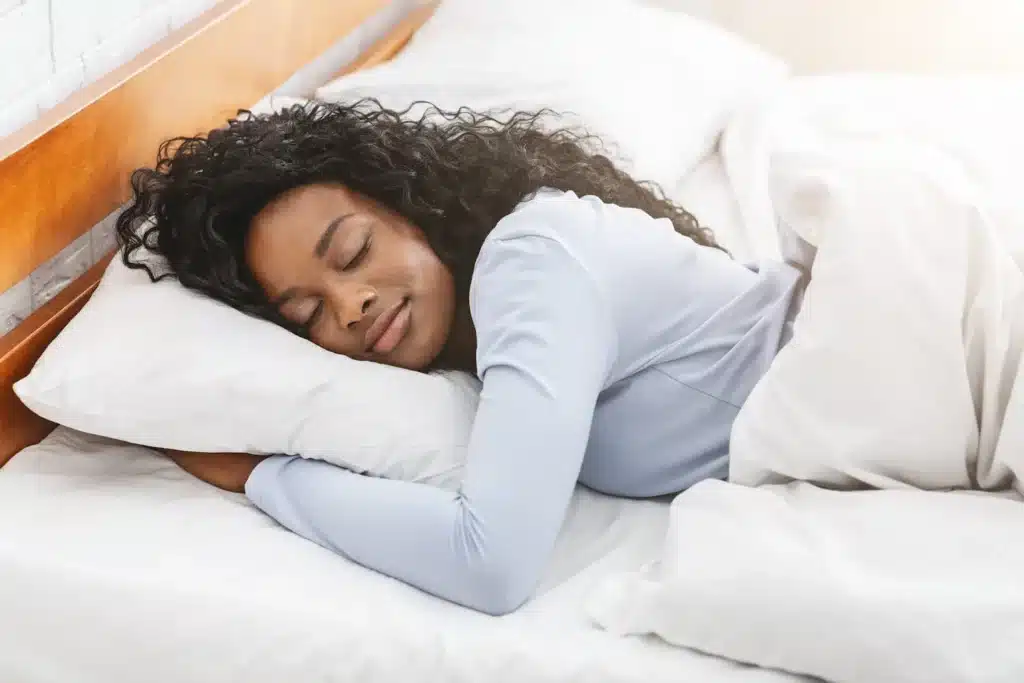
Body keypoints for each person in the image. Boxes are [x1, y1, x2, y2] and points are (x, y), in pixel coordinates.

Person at [116, 100, 804, 616]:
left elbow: (490, 564)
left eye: (354, 252)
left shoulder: (530, 260)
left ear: (412, 210)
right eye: (309, 313)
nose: (351, 303)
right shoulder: (480, 335)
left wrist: (263, 477)